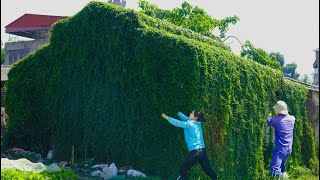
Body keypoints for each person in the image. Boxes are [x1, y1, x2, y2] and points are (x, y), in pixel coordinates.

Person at [161, 110, 218, 180]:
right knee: (207, 169)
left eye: (192, 113)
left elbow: (178, 123)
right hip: (202, 150)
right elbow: (186, 119)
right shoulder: (197, 122)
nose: (190, 113)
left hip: (196, 152)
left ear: (195, 117)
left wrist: (167, 117)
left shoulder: (190, 124)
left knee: (183, 169)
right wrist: (178, 113)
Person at [266, 101, 295, 179]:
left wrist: (268, 116)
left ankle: (282, 178)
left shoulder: (276, 120)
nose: (274, 110)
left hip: (280, 149)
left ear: (278, 110)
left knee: (274, 171)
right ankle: (284, 176)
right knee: (282, 169)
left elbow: (269, 122)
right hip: (288, 149)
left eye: (275, 109)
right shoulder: (292, 119)